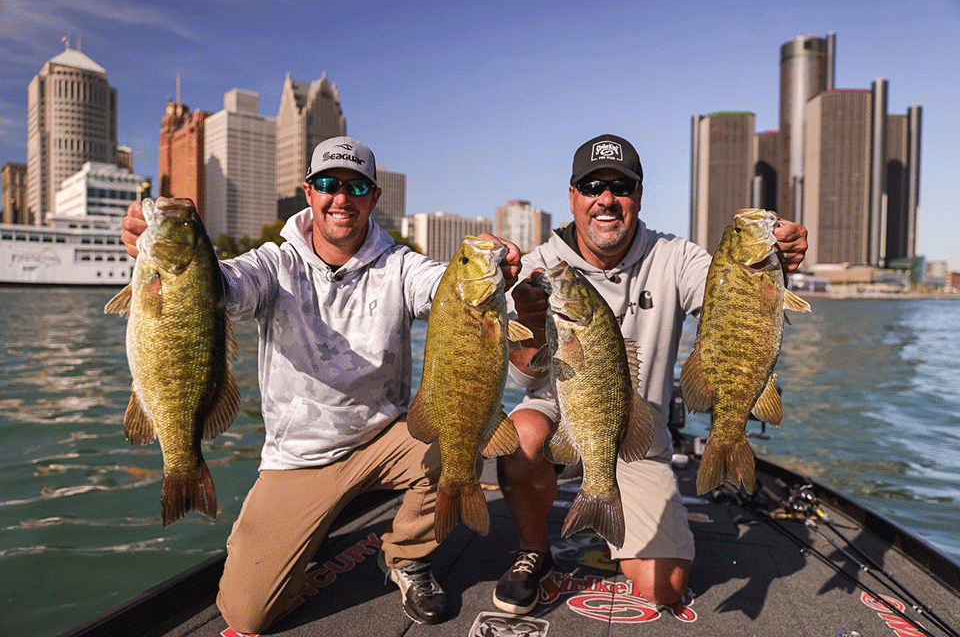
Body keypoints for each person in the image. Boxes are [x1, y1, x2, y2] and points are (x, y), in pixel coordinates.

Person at [121, 136, 522, 634]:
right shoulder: (274, 262)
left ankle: (404, 557)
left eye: (356, 187)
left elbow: (441, 287)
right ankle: (297, 537)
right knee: (246, 613)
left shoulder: (399, 265)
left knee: (461, 436)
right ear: (309, 192)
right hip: (301, 458)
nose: (342, 198)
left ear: (374, 198)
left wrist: (489, 273)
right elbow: (228, 287)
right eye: (330, 184)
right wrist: (168, 253)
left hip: (384, 439)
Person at [493, 133, 808, 615]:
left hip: (639, 424)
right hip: (564, 408)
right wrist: (531, 321)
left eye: (621, 186)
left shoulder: (677, 257)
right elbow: (522, 377)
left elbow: (730, 298)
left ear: (638, 195)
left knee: (664, 588)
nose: (607, 199)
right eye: (593, 185)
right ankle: (534, 551)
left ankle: (613, 511)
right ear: (573, 195)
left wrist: (773, 259)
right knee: (521, 434)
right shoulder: (538, 269)